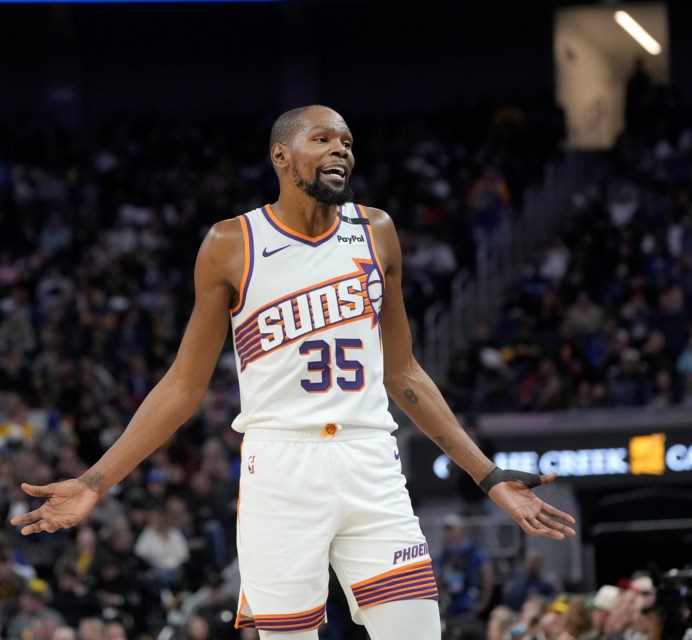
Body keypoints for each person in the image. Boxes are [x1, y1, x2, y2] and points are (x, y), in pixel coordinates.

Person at [9, 105, 576, 640]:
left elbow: (404, 374)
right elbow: (183, 387)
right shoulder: (231, 243)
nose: (341, 150)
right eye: (322, 139)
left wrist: (489, 476)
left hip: (370, 459)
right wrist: (93, 483)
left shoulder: (377, 230)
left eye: (347, 142)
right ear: (281, 155)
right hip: (279, 468)